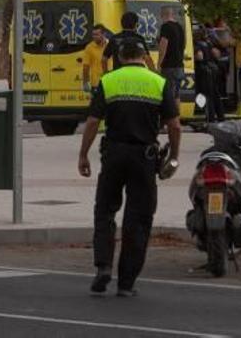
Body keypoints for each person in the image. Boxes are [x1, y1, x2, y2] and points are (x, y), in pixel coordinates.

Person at [78, 40, 181, 297]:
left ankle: (103, 267)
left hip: (113, 154)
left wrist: (83, 155)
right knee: (139, 219)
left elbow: (92, 122)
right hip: (144, 158)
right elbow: (175, 126)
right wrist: (174, 158)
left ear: (121, 57)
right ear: (145, 56)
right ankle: (126, 283)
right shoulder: (158, 83)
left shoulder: (109, 80)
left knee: (105, 211)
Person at [157, 6, 186, 113]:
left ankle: (169, 121)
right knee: (177, 95)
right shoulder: (180, 27)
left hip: (169, 66)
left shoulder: (165, 27)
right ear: (172, 14)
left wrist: (159, 63)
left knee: (167, 95)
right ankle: (177, 119)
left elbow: (163, 46)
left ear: (162, 15)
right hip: (179, 65)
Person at [194, 28, 225, 122]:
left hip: (204, 71)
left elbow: (200, 56)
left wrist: (194, 58)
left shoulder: (198, 44)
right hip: (213, 70)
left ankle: (210, 119)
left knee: (207, 96)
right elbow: (217, 54)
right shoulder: (209, 43)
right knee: (215, 94)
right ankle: (221, 117)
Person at [83, 24, 108, 93]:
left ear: (104, 34)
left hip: (110, 82)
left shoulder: (110, 45)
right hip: (96, 83)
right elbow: (86, 67)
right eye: (93, 35)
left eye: (97, 34)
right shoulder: (89, 48)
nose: (94, 37)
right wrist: (85, 82)